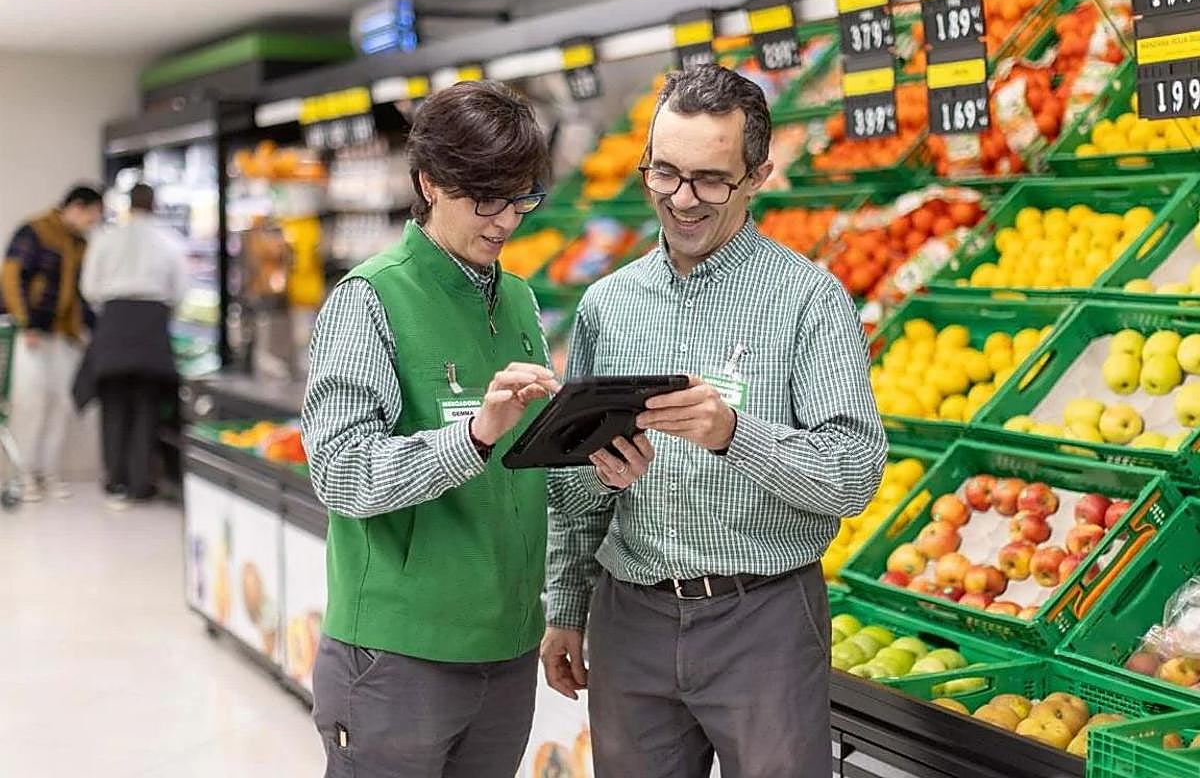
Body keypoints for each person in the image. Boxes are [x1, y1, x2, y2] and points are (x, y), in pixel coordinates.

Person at [540, 63, 887, 778]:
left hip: (763, 619)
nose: (682, 200)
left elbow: (852, 476)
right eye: (663, 174)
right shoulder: (609, 305)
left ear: (758, 175)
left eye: (710, 179)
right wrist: (568, 601)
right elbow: (568, 488)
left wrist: (735, 435)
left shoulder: (810, 301)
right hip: (628, 616)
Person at [301, 80, 558, 778]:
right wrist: (473, 435)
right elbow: (340, 471)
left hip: (505, 649)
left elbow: (527, 468)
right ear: (429, 183)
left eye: (522, 198)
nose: (505, 221)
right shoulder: (370, 299)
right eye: (486, 200)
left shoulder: (519, 298)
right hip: (397, 657)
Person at [78, 183, 186, 509]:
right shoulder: (169, 241)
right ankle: (141, 483)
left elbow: (89, 288)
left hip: (113, 322)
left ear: (129, 204)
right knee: (147, 407)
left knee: (113, 406)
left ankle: (115, 482)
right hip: (152, 325)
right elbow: (180, 291)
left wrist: (112, 311)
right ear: (154, 205)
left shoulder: (106, 239)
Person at [1, 184, 102, 501]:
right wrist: (26, 321)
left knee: (61, 404)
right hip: (32, 334)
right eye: (93, 215)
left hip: (64, 337)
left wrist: (92, 329)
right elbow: (12, 276)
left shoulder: (80, 244)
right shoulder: (35, 231)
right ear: (77, 206)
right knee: (30, 404)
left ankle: (49, 472)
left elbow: (80, 294)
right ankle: (23, 474)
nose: (93, 223)